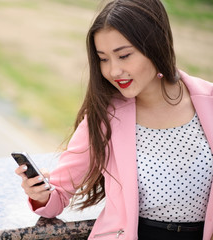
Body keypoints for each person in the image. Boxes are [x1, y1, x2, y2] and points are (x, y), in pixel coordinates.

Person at [15, 0, 213, 239]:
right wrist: (39, 193)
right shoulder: (104, 118)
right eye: (104, 59)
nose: (113, 71)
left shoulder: (208, 101)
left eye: (124, 55)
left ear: (155, 46)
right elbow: (57, 196)